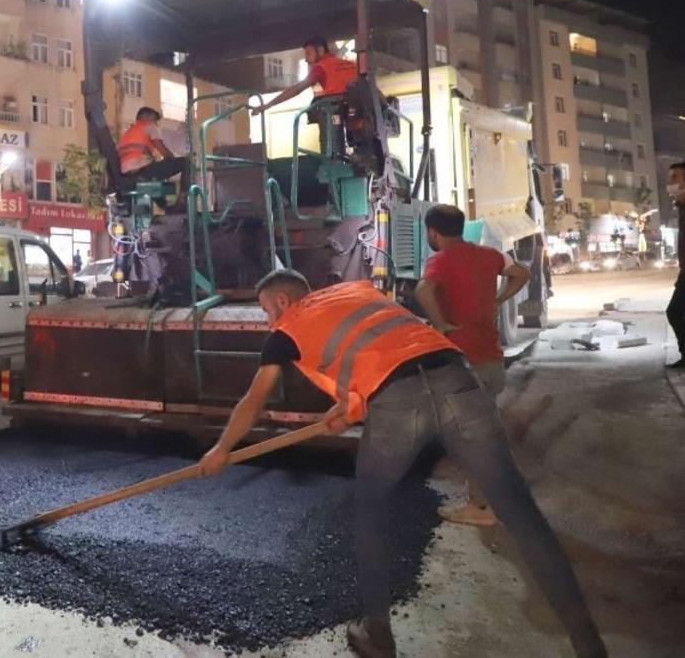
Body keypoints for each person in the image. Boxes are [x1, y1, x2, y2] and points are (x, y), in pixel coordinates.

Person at [199, 270, 607, 658]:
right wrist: (347, 407)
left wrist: (220, 450)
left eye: (267, 310)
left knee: (371, 511)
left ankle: (378, 635)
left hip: (398, 406)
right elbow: (383, 350)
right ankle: (590, 645)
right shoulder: (358, 293)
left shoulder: (287, 330)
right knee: (520, 512)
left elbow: (254, 399)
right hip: (459, 381)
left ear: (283, 300)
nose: (270, 320)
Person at [414, 204, 530, 526]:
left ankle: (481, 508)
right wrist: (499, 299)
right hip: (492, 359)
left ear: (432, 232)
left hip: (465, 363)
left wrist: (441, 325)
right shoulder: (490, 255)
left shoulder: (439, 260)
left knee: (470, 442)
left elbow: (422, 289)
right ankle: (497, 500)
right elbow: (522, 273)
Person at [250, 35, 358, 116]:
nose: (306, 59)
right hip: (359, 110)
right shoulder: (351, 64)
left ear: (320, 50)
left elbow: (297, 88)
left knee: (317, 108)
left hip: (338, 113)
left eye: (308, 53)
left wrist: (267, 105)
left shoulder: (321, 67)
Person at [116, 106, 187, 181]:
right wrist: (172, 159)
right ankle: (184, 192)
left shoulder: (127, 133)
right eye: (154, 120)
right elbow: (161, 148)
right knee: (186, 162)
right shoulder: (150, 126)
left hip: (126, 174)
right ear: (145, 116)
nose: (156, 124)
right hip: (141, 171)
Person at [665, 163, 685, 368]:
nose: (670, 183)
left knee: (675, 311)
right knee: (676, 312)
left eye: (675, 178)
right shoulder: (681, 207)